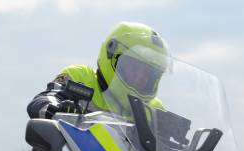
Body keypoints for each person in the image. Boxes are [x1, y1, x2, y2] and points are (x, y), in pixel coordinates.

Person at [26, 21, 168, 120]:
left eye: (148, 73)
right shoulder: (80, 77)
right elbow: (43, 99)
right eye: (135, 67)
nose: (140, 77)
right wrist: (55, 107)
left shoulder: (153, 109)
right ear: (111, 55)